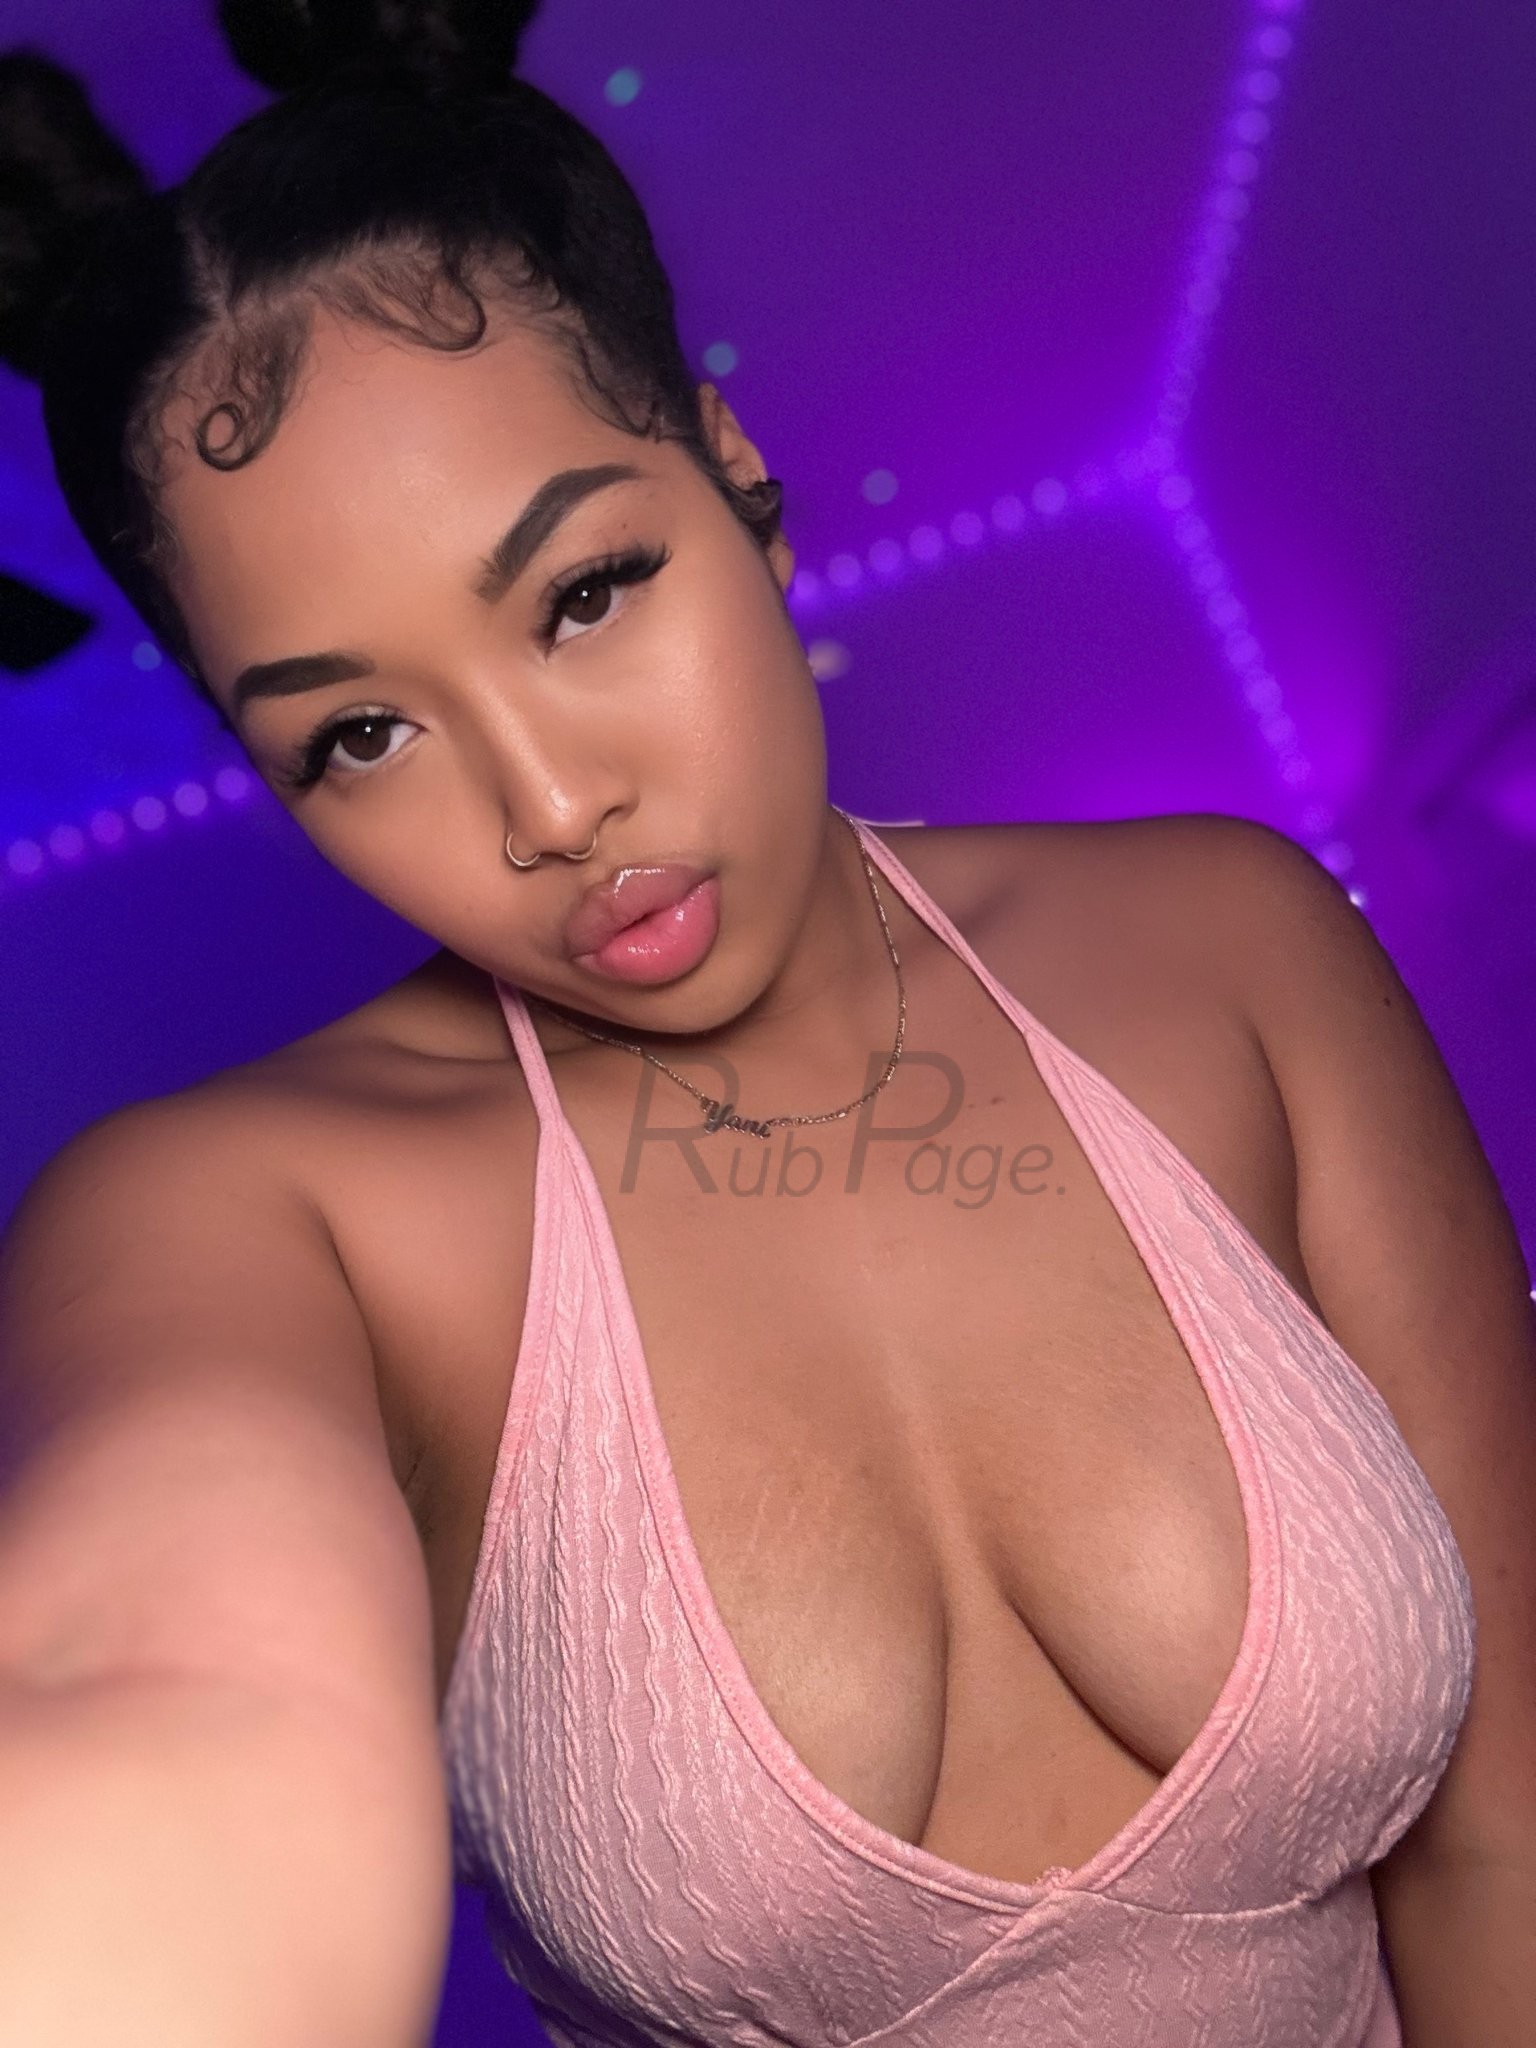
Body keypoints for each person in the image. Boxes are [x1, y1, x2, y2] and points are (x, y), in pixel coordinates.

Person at [0, 4, 1531, 2043]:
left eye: (584, 593)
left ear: (738, 479)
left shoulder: (1237, 946)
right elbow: (152, 1686)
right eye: (359, 733)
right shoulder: (241, 1216)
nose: (554, 806)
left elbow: (1508, 1840)